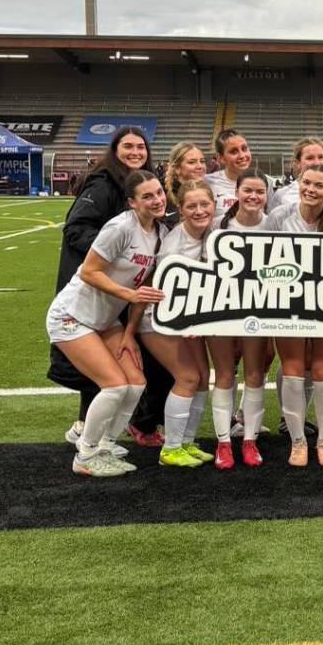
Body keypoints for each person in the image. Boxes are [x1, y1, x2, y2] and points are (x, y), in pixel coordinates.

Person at [46, 170, 167, 476]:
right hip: (72, 315)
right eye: (147, 196)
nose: (156, 200)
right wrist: (128, 293)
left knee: (136, 384)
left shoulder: (160, 234)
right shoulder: (120, 227)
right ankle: (85, 455)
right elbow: (88, 272)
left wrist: (128, 333)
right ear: (132, 202)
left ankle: (105, 445)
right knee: (114, 386)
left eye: (159, 193)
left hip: (106, 319)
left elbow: (145, 292)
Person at [130, 180, 215, 467]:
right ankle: (171, 448)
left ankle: (187, 442)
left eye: (205, 204)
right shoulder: (174, 246)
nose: (199, 210)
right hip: (160, 320)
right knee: (188, 377)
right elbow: (165, 296)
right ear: (180, 209)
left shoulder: (213, 234)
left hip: (189, 320)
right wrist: (186, 324)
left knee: (203, 378)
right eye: (191, 206)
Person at [265, 165, 323, 467]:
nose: (310, 189)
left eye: (319, 185)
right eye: (306, 182)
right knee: (293, 370)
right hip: (286, 304)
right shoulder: (280, 217)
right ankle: (298, 441)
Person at [206, 169, 273, 467]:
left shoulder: (274, 226)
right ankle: (222, 443)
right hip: (223, 308)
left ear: (267, 195)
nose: (254, 196)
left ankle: (249, 440)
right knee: (223, 374)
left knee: (255, 374)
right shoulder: (218, 227)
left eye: (260, 191)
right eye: (248, 190)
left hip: (258, 311)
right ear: (237, 191)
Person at [274, 138, 323, 209]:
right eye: (310, 158)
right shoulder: (282, 195)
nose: (317, 163)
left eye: (321, 157)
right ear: (297, 163)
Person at [162, 142, 208, 226]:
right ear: (177, 168)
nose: (200, 166)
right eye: (192, 162)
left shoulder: (209, 191)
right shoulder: (161, 196)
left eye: (202, 161)